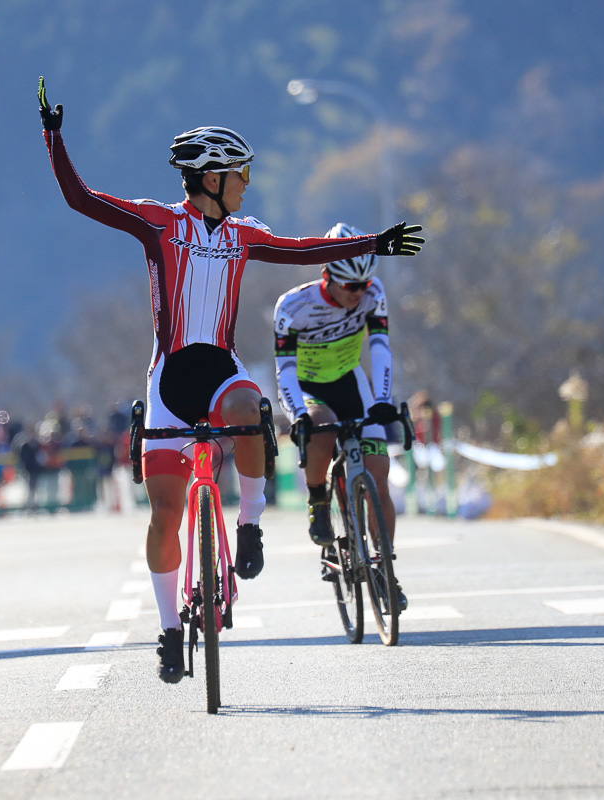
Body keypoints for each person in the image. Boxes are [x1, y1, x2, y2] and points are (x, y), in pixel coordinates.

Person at [38, 78, 424, 682]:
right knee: (165, 514)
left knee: (250, 408)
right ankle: (169, 628)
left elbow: (300, 251)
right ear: (212, 176)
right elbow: (82, 200)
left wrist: (379, 243)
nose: (248, 183)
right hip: (169, 378)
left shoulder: (244, 235)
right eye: (240, 173)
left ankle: (249, 525)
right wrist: (53, 137)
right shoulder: (160, 224)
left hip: (219, 366)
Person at [273, 223, 405, 610]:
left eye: (364, 285)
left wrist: (381, 399)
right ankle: (318, 499)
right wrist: (297, 413)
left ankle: (385, 569)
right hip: (308, 387)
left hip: (351, 382)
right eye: (351, 287)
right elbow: (284, 370)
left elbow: (380, 349)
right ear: (326, 276)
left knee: (378, 474)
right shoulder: (292, 307)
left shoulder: (372, 294)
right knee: (320, 426)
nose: (359, 294)